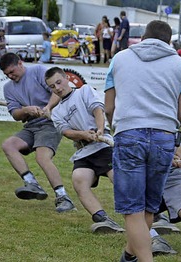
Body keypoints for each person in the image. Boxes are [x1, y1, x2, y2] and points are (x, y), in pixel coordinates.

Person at [104, 20, 181, 262]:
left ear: (142, 38)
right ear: (169, 41)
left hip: (129, 133)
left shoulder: (119, 59)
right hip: (164, 137)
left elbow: (109, 107)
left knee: (132, 210)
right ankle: (128, 257)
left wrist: (117, 126)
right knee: (148, 208)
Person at [46, 66, 124, 232]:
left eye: (59, 82)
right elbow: (66, 132)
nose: (57, 88)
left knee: (120, 181)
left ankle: (148, 217)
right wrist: (83, 134)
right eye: (52, 86)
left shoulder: (84, 91)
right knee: (79, 179)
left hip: (103, 145)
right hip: (84, 151)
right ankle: (103, 219)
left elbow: (98, 110)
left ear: (67, 78)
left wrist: (100, 129)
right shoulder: (57, 111)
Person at [0, 53, 75, 213]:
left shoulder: (38, 71)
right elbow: (15, 114)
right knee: (8, 145)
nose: (10, 76)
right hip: (31, 126)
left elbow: (56, 91)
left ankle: (63, 197)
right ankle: (31, 183)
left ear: (20, 63)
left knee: (42, 157)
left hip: (50, 123)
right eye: (7, 75)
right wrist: (25, 110)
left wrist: (47, 107)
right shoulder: (8, 88)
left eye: (12, 72)